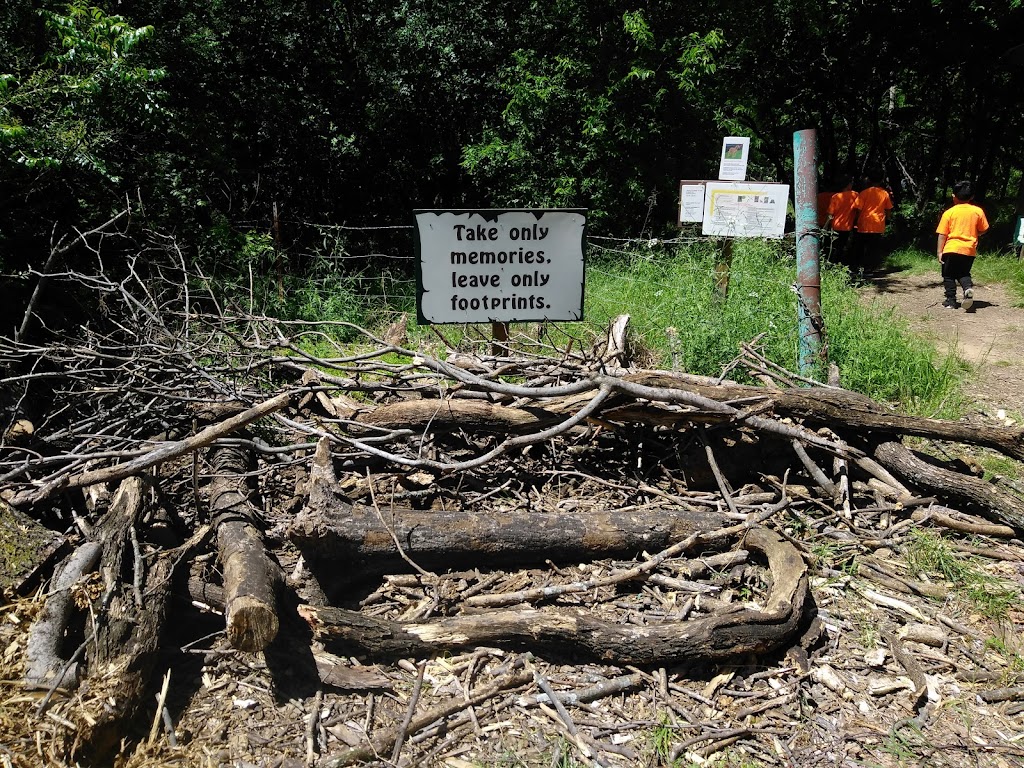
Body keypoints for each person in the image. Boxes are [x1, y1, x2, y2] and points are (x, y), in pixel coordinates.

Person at [936, 179, 989, 310]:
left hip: (951, 248)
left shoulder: (949, 213)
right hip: (969, 250)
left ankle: (951, 301)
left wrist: (939, 252)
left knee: (948, 275)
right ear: (972, 197)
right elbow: (984, 229)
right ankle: (967, 288)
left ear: (953, 196)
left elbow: (942, 234)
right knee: (963, 273)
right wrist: (976, 234)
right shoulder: (978, 211)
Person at [852, 171, 894, 273]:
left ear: (869, 180)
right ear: (881, 180)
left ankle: (860, 267)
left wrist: (856, 221)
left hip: (864, 223)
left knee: (861, 246)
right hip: (877, 224)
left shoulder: (864, 193)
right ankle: (871, 268)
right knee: (874, 247)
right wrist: (888, 219)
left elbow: (858, 209)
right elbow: (888, 209)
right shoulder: (884, 193)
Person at [826, 174, 858, 267]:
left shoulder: (835, 197)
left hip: (836, 226)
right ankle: (845, 264)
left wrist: (826, 226)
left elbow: (830, 213)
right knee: (846, 246)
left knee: (836, 247)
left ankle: (834, 264)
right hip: (849, 226)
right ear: (848, 185)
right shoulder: (855, 195)